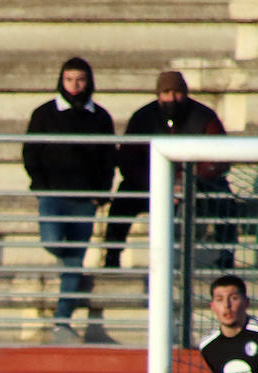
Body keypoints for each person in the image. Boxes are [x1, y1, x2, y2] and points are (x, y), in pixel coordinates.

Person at [104, 70, 236, 277]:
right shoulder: (142, 118)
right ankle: (111, 256)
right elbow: (129, 160)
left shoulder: (204, 117)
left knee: (224, 199)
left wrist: (187, 183)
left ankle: (227, 256)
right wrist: (160, 185)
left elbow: (218, 158)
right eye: (166, 92)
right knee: (123, 199)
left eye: (177, 92)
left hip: (196, 186)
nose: (172, 98)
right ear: (158, 94)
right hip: (152, 187)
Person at [22, 56, 116, 342]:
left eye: (80, 79)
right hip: (52, 195)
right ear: (61, 81)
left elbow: (108, 157)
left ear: (88, 82)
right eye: (69, 79)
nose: (74, 85)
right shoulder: (44, 113)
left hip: (84, 200)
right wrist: (39, 184)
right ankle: (72, 273)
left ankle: (62, 321)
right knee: (52, 242)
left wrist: (100, 193)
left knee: (75, 257)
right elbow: (30, 152)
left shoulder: (100, 117)